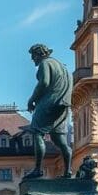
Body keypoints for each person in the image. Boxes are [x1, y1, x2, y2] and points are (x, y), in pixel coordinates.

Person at [24, 43, 73, 179]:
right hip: (63, 105)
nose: (33, 59)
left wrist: (32, 99)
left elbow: (44, 82)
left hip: (49, 104)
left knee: (38, 133)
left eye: (33, 55)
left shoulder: (45, 64)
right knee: (60, 140)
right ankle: (68, 171)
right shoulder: (62, 66)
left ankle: (38, 170)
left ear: (39, 54)